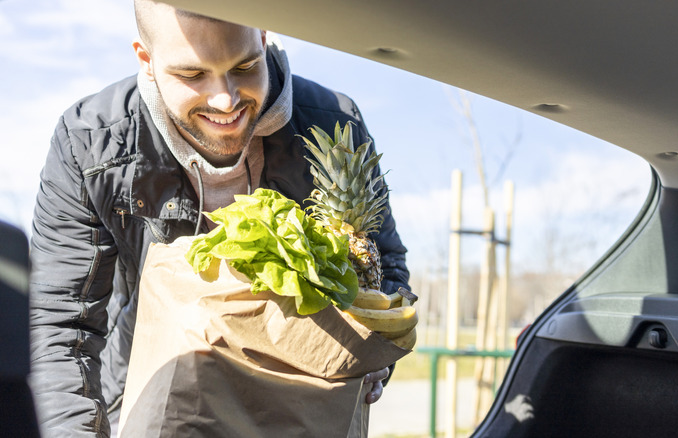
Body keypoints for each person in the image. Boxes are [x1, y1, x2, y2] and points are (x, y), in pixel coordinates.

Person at [28, 1, 410, 436]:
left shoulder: (334, 128)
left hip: (299, 414)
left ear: (264, 38)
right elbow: (59, 327)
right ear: (147, 61)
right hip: (151, 400)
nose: (225, 100)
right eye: (192, 75)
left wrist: (376, 351)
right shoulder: (90, 145)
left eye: (246, 66)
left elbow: (386, 268)